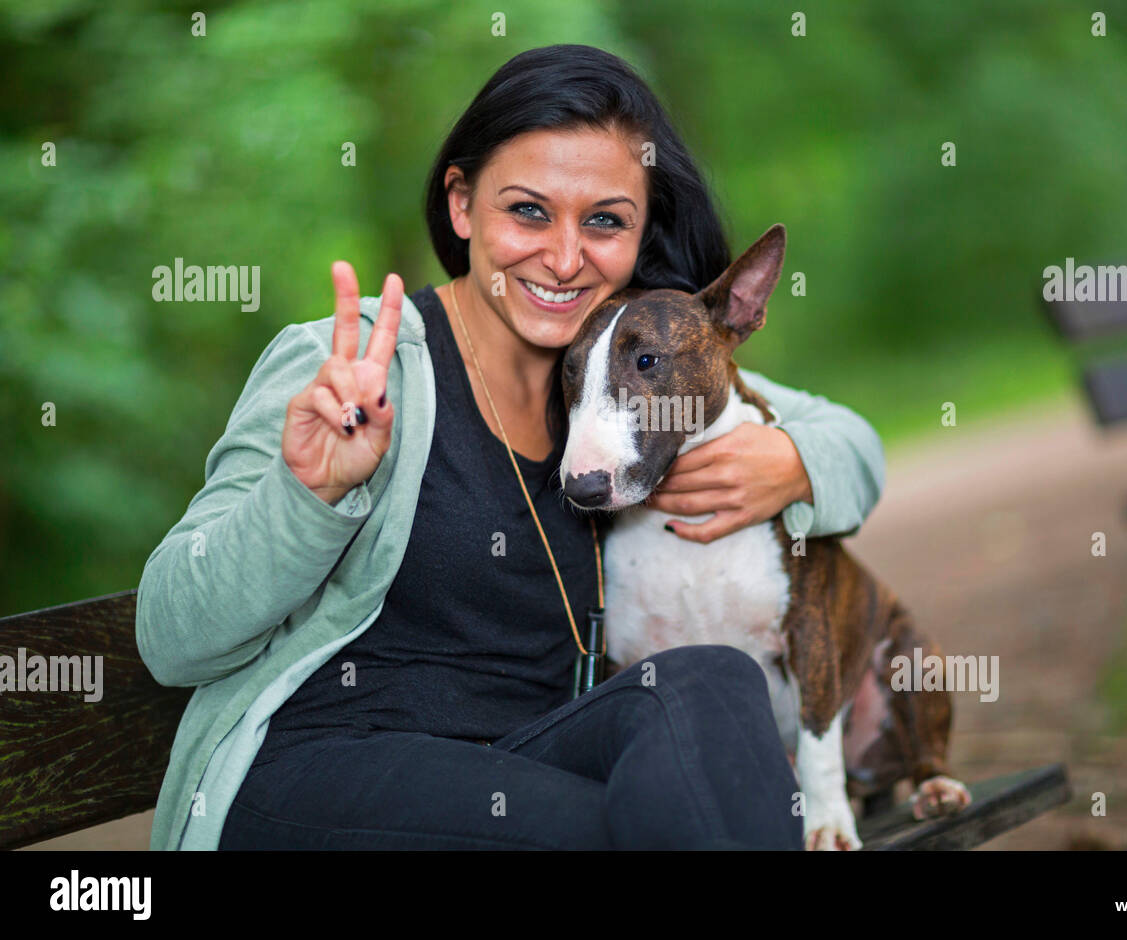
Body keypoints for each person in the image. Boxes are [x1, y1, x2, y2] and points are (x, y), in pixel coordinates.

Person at [136, 44, 886, 850]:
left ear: (639, 236)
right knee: (629, 831)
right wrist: (306, 498)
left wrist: (794, 464)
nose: (565, 259)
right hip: (327, 773)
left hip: (530, 758)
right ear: (462, 206)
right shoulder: (352, 366)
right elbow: (171, 637)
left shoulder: (630, 365)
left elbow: (853, 440)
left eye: (604, 220)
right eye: (528, 210)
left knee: (712, 682)